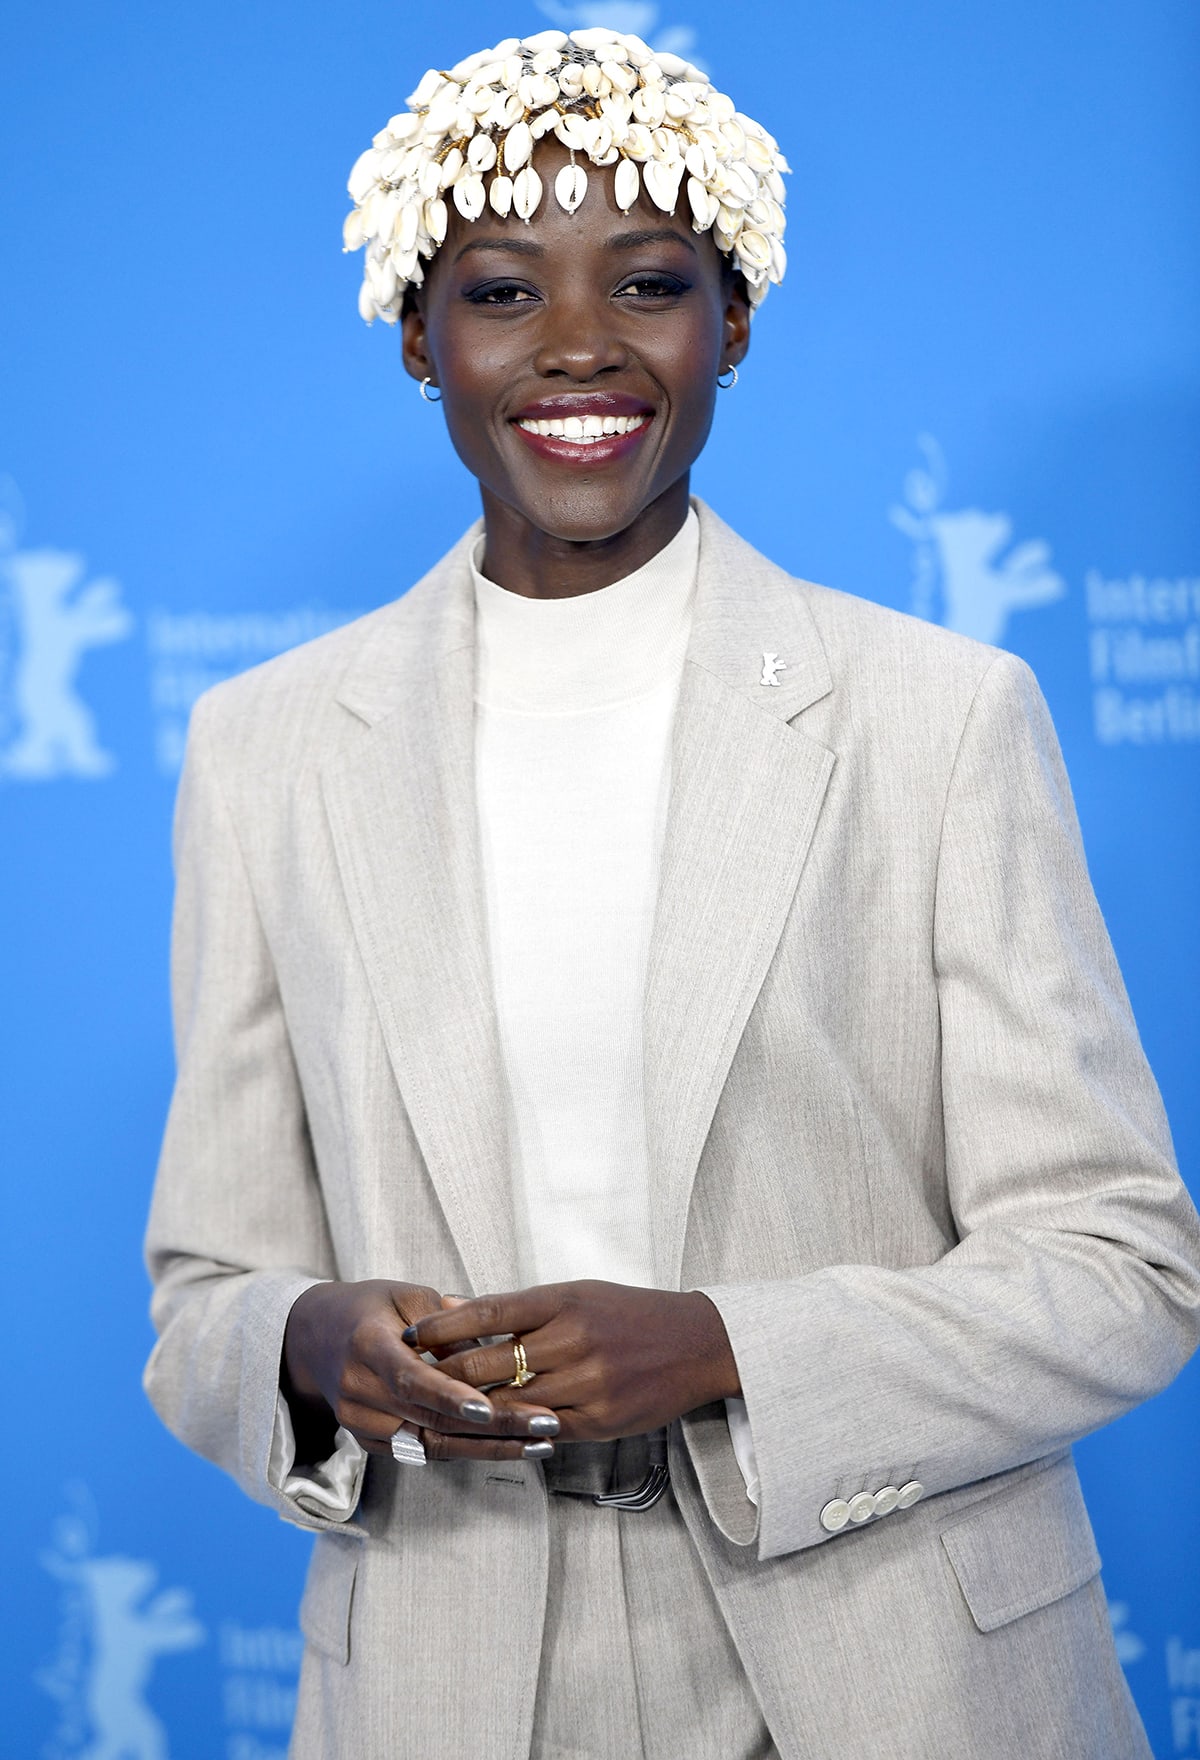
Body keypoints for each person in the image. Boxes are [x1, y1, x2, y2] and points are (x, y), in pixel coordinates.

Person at [143, 26, 1200, 1759]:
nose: (575, 344)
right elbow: (204, 1294)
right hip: (450, 1678)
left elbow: (1121, 1266)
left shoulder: (941, 721)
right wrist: (307, 1338)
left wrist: (729, 1348)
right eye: (499, 291)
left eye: (646, 281)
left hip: (894, 1667)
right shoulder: (266, 749)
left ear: (735, 322)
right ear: (417, 336)